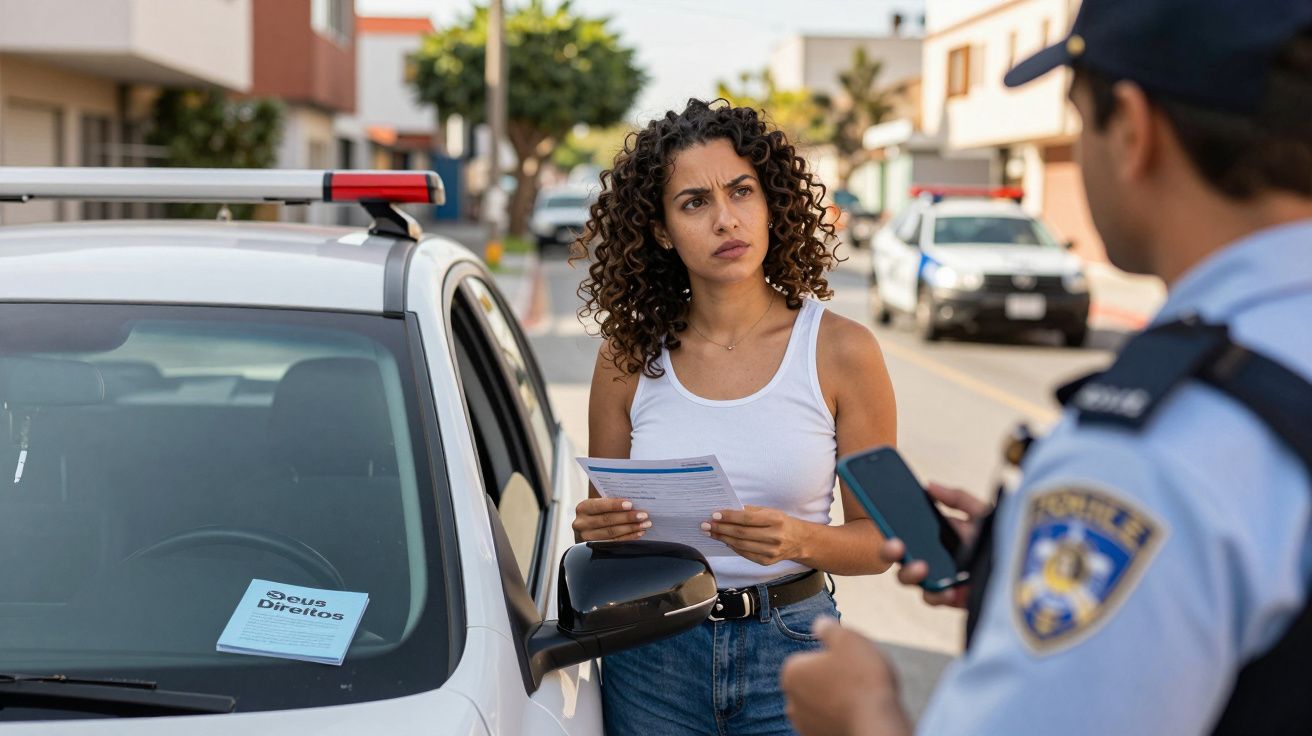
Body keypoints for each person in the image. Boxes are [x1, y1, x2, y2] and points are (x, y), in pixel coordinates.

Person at [781, 0, 1312, 734]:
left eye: (1077, 118)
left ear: (1131, 129)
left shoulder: (1149, 459)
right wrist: (1013, 566)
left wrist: (862, 715)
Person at [570, 99, 898, 735]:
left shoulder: (841, 350)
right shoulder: (626, 355)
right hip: (651, 654)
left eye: (741, 191)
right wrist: (597, 525)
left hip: (794, 649)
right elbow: (599, 536)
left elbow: (881, 541)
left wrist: (799, 540)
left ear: (771, 202)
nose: (726, 219)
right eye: (694, 202)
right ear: (661, 230)